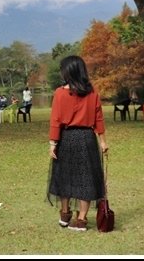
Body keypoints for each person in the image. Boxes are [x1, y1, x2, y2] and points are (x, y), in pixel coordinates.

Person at [47, 55, 108, 232]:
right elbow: (98, 119)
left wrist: (53, 143)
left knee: (64, 177)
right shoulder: (93, 92)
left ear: (68, 72)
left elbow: (55, 120)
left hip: (66, 138)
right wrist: (103, 142)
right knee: (86, 178)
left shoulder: (60, 93)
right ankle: (81, 219)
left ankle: (65, 214)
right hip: (87, 138)